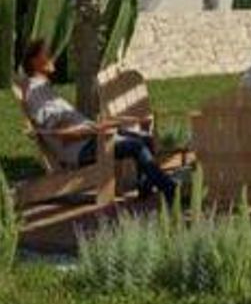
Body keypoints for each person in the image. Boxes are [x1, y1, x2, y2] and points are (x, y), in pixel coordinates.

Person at [20, 39, 176, 204]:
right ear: (34, 61)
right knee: (136, 146)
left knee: (145, 138)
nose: (53, 57)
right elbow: (62, 134)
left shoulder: (44, 89)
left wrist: (99, 128)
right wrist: (95, 130)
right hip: (81, 148)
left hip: (91, 138)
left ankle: (145, 190)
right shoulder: (36, 92)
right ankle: (170, 190)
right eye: (47, 54)